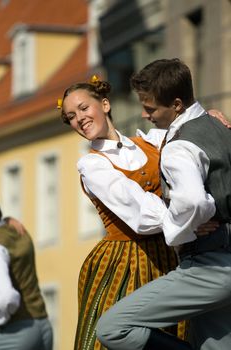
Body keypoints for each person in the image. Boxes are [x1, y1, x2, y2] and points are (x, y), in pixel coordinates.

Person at [95, 58, 231, 350]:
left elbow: (193, 202)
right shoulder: (220, 127)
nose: (144, 114)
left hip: (210, 267)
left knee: (113, 328)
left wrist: (180, 228)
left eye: (151, 108)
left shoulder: (179, 147)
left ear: (177, 104)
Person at [59, 76, 187, 350]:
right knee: (118, 338)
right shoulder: (93, 166)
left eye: (83, 108)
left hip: (167, 255)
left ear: (104, 104)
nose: (79, 119)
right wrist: (190, 219)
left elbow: (190, 134)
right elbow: (142, 216)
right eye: (71, 116)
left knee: (171, 335)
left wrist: (211, 117)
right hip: (122, 262)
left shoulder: (150, 142)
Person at [0, 200, 53, 350]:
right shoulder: (15, 230)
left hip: (16, 332)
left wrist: (3, 319)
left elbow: (5, 298)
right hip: (43, 326)